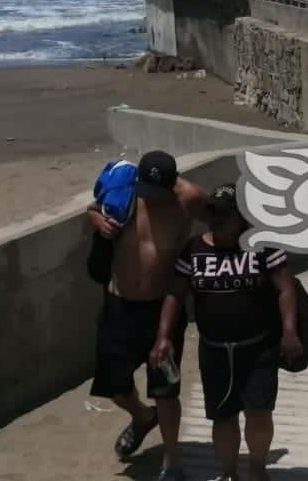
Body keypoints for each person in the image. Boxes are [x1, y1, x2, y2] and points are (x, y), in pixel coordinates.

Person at [153, 184, 301, 481]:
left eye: (224, 215)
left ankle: (257, 469)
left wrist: (289, 331)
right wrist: (163, 336)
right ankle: (229, 472)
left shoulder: (263, 246)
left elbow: (285, 289)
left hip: (259, 349)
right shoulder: (193, 249)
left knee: (259, 413)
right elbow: (174, 294)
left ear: (241, 217)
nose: (216, 221)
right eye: (212, 214)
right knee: (223, 416)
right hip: (214, 352)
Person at [85, 150, 209, 481]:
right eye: (146, 193)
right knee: (113, 386)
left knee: (166, 390)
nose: (150, 201)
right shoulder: (124, 187)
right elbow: (93, 208)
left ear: (173, 185)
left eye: (158, 195)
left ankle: (173, 461)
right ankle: (141, 417)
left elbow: (223, 224)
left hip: (163, 310)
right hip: (118, 305)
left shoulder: (191, 198)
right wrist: (95, 219)